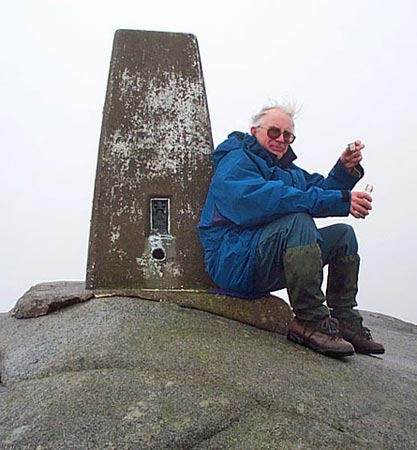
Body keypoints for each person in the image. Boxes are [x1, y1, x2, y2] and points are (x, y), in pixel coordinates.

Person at [198, 102, 384, 358]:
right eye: (274, 132)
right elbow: (264, 199)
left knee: (343, 235)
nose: (281, 140)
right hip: (233, 261)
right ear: (254, 131)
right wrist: (339, 200)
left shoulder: (286, 169)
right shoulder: (236, 160)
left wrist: (344, 170)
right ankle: (308, 319)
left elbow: (318, 189)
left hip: (264, 257)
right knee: (298, 220)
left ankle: (342, 318)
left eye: (288, 135)